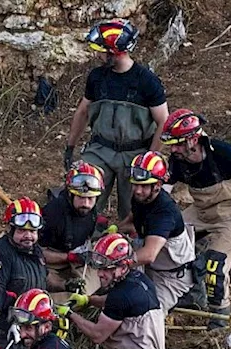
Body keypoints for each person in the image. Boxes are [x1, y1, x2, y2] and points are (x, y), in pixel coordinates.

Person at [160, 109, 231, 327]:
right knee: (169, 242)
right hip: (202, 210)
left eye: (179, 143)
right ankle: (192, 294)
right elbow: (163, 191)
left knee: (215, 266)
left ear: (194, 139)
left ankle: (219, 316)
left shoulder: (224, 153)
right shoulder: (177, 160)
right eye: (172, 144)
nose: (174, 149)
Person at [64, 19, 169, 220]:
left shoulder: (146, 81)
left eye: (101, 50)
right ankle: (81, 239)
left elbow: (164, 122)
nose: (98, 55)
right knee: (81, 194)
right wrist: (70, 147)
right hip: (100, 150)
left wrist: (150, 160)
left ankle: (124, 246)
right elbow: (83, 112)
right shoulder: (96, 77)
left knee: (134, 211)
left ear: (114, 52)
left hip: (134, 154)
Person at [119, 151, 195, 313]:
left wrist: (116, 264)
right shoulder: (142, 197)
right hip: (149, 267)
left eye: (144, 186)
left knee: (148, 313)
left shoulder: (164, 213)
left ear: (158, 186)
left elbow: (148, 254)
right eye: (135, 184)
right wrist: (117, 229)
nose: (138, 190)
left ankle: (189, 296)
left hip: (171, 277)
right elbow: (135, 215)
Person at [42, 161, 109, 299]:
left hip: (81, 257)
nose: (85, 203)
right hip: (53, 261)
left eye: (90, 199)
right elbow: (38, 253)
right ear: (70, 194)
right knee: (69, 295)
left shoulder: (92, 209)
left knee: (87, 288)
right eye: (80, 198)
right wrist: (70, 257)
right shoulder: (53, 214)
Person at [0, 198, 53, 299]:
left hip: (35, 308)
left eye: (33, 231)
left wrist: (66, 284)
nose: (28, 235)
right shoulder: (0, 254)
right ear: (10, 230)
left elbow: (45, 279)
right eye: (22, 230)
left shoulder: (35, 250)